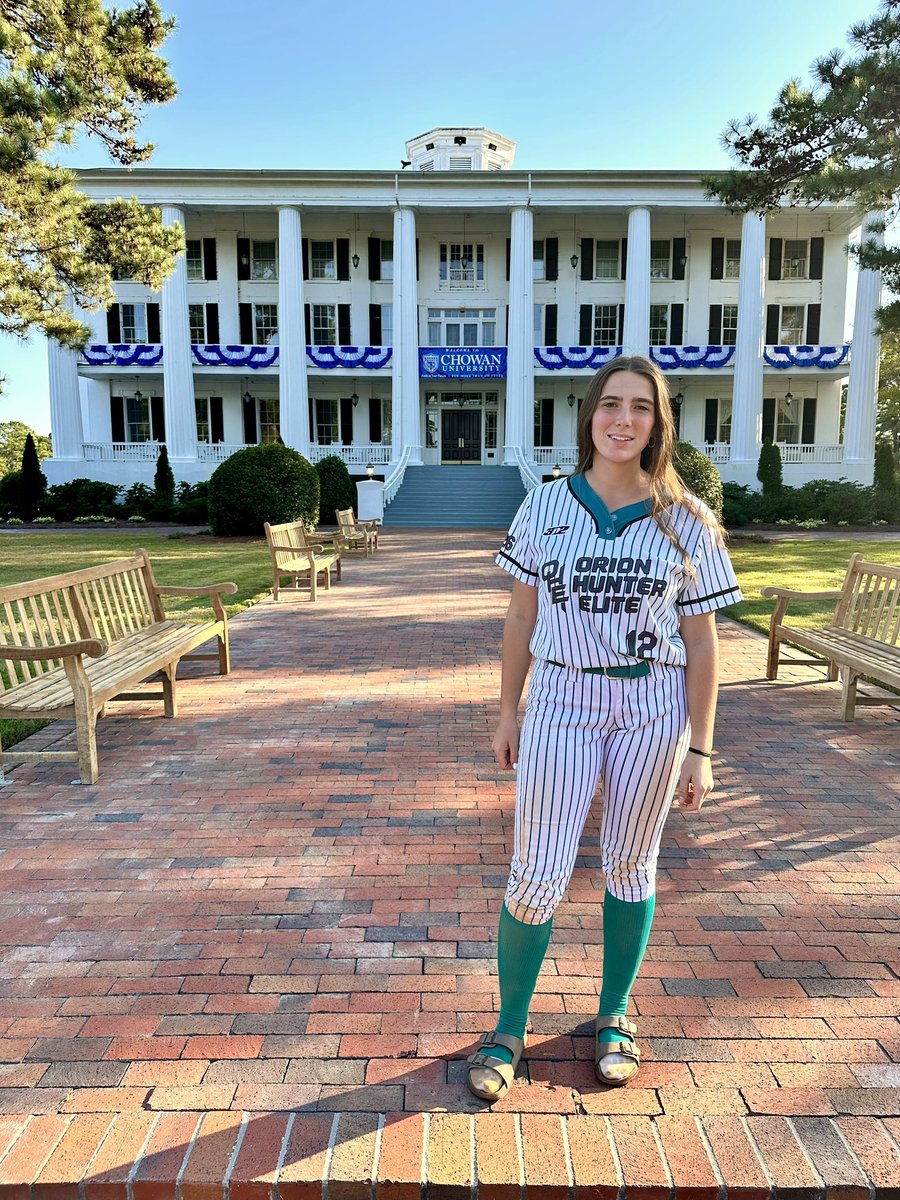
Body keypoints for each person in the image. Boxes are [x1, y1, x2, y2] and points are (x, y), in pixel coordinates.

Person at [466, 355, 743, 1101]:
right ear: (589, 416)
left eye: (641, 407)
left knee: (631, 863)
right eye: (611, 404)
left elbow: (704, 641)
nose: (624, 420)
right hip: (562, 698)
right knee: (537, 872)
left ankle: (613, 1015)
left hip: (652, 707)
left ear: (660, 422)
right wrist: (506, 710)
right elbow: (522, 613)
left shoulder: (687, 520)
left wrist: (703, 747)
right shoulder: (547, 505)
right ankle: (509, 1028)